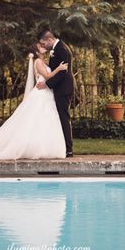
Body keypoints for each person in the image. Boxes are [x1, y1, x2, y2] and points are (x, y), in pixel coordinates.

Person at [36, 29, 75, 157]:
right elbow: (54, 70)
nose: (43, 46)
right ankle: (63, 147)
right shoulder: (57, 48)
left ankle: (69, 149)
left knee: (64, 118)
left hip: (63, 88)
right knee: (60, 117)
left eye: (43, 43)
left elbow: (62, 73)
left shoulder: (61, 49)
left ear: (49, 40)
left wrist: (46, 84)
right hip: (60, 88)